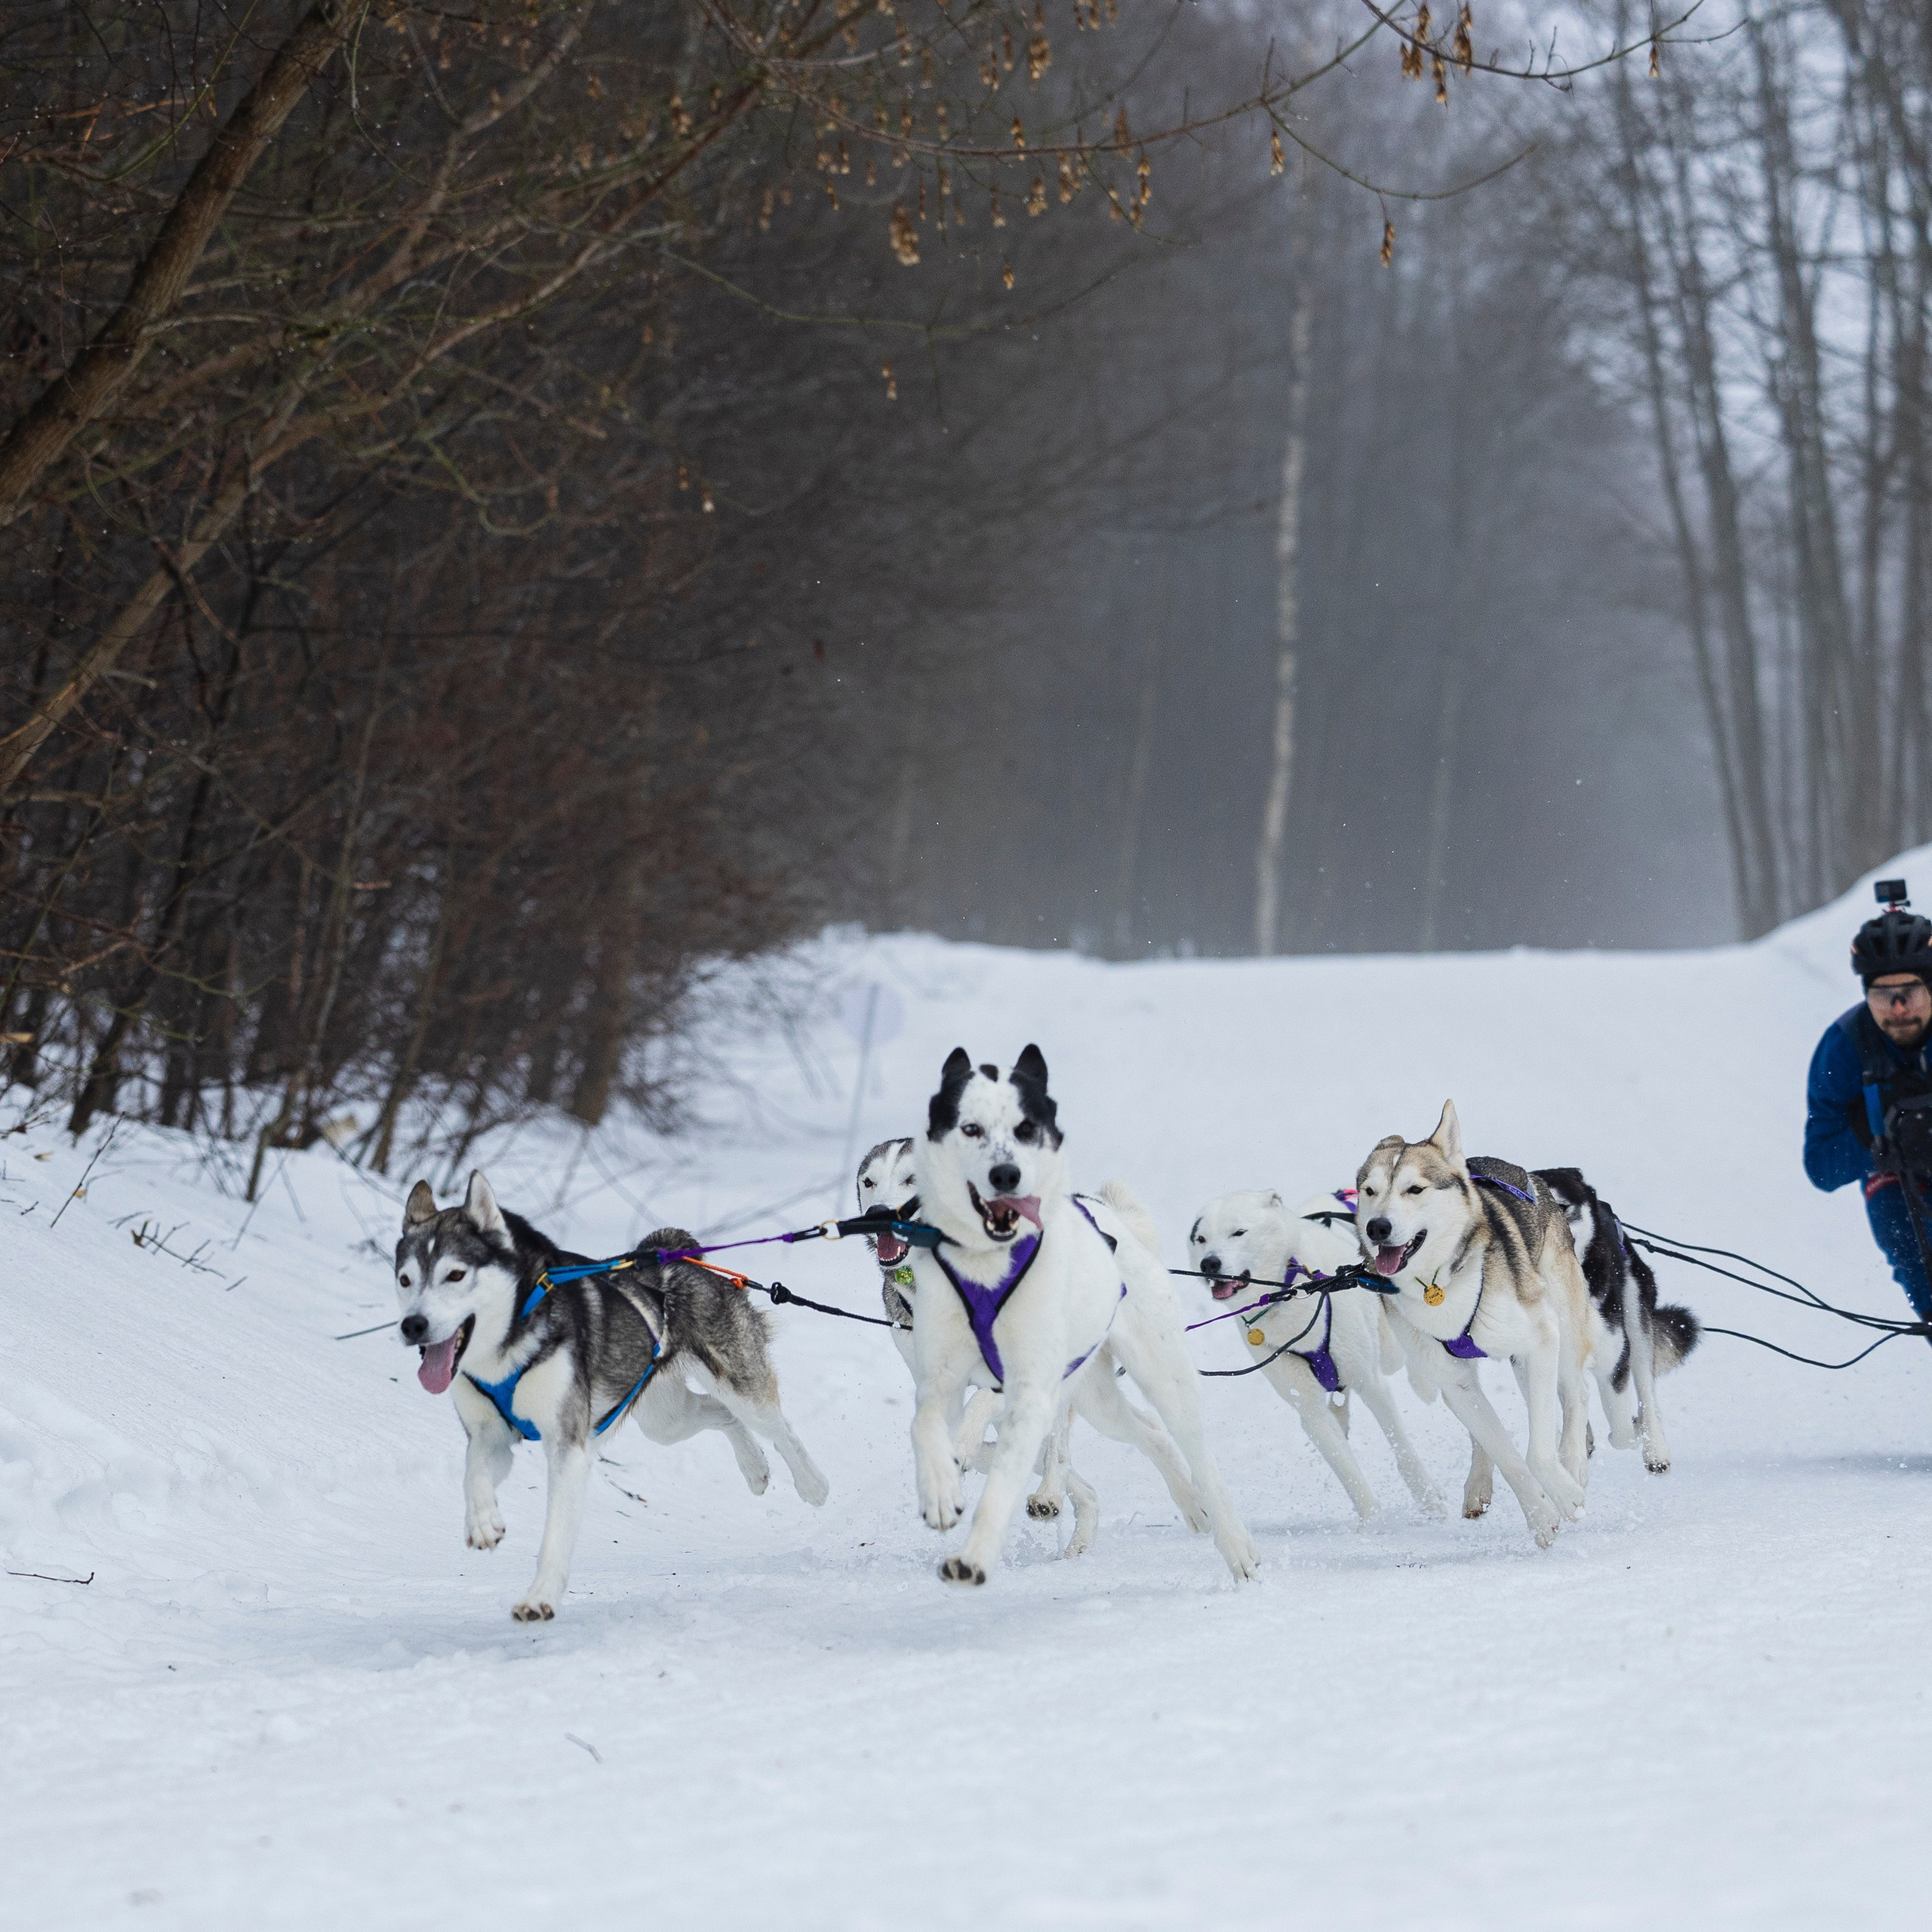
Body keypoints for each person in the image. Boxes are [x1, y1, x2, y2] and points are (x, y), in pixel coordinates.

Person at [1804, 889, 1932, 1323]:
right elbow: (1819, 1167)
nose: (1898, 1009)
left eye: (1910, 991)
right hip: (1895, 1178)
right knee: (1915, 1253)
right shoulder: (1843, 1048)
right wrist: (1871, 1137)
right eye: (1883, 995)